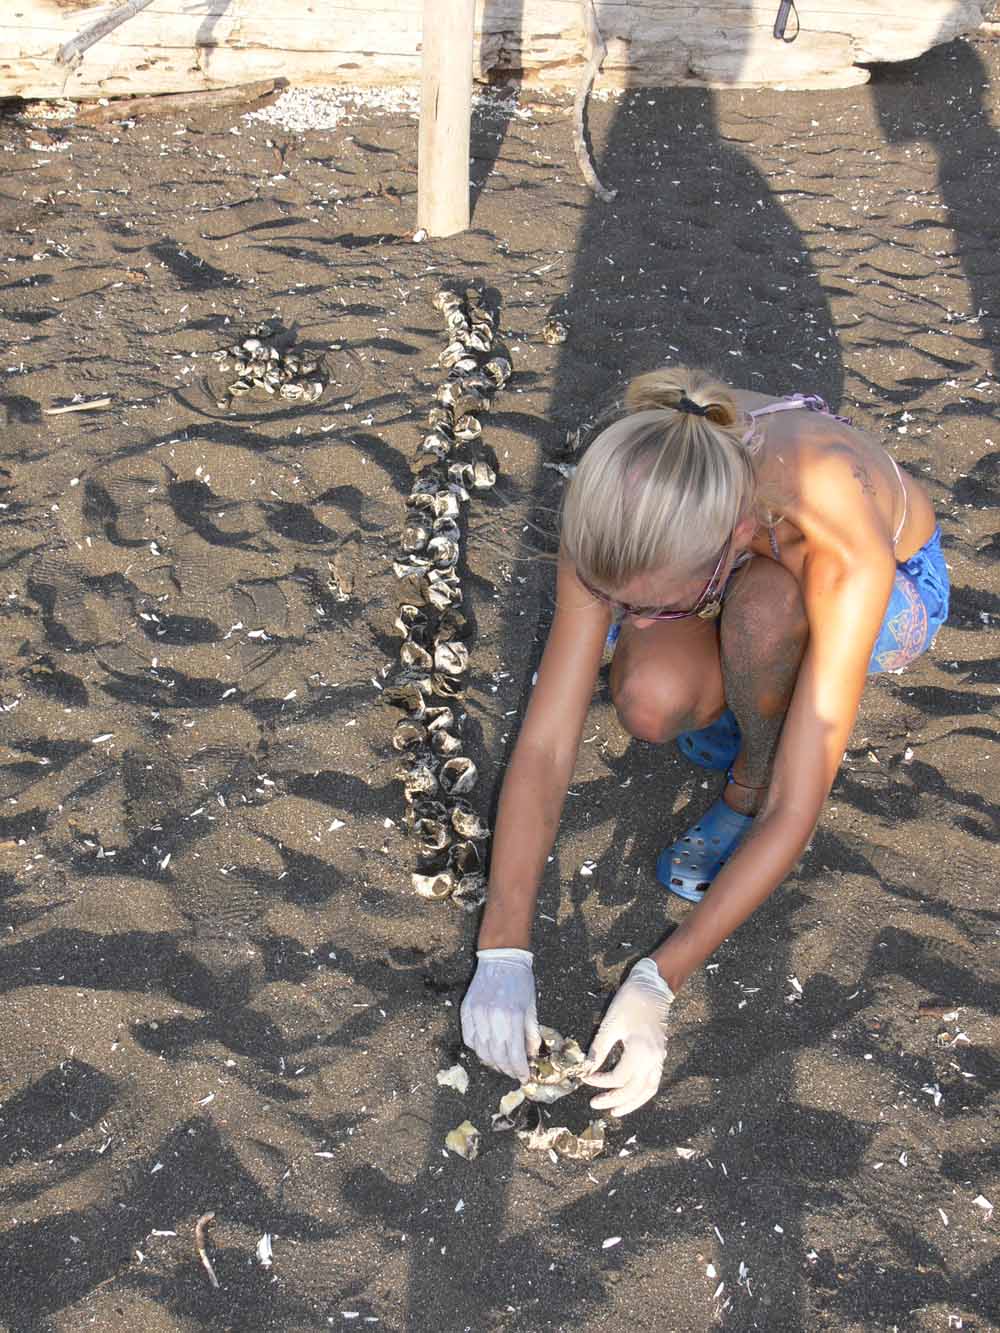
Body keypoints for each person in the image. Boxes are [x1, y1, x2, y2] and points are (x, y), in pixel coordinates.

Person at [460, 366, 949, 1116]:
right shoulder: (624, 486)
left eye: (640, 606)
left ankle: (744, 765)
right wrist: (503, 944)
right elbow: (548, 744)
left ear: (725, 550)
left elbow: (797, 801)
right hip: (729, 556)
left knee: (763, 612)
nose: (615, 618)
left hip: (891, 579)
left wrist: (662, 976)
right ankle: (749, 686)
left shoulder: (836, 531)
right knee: (651, 697)